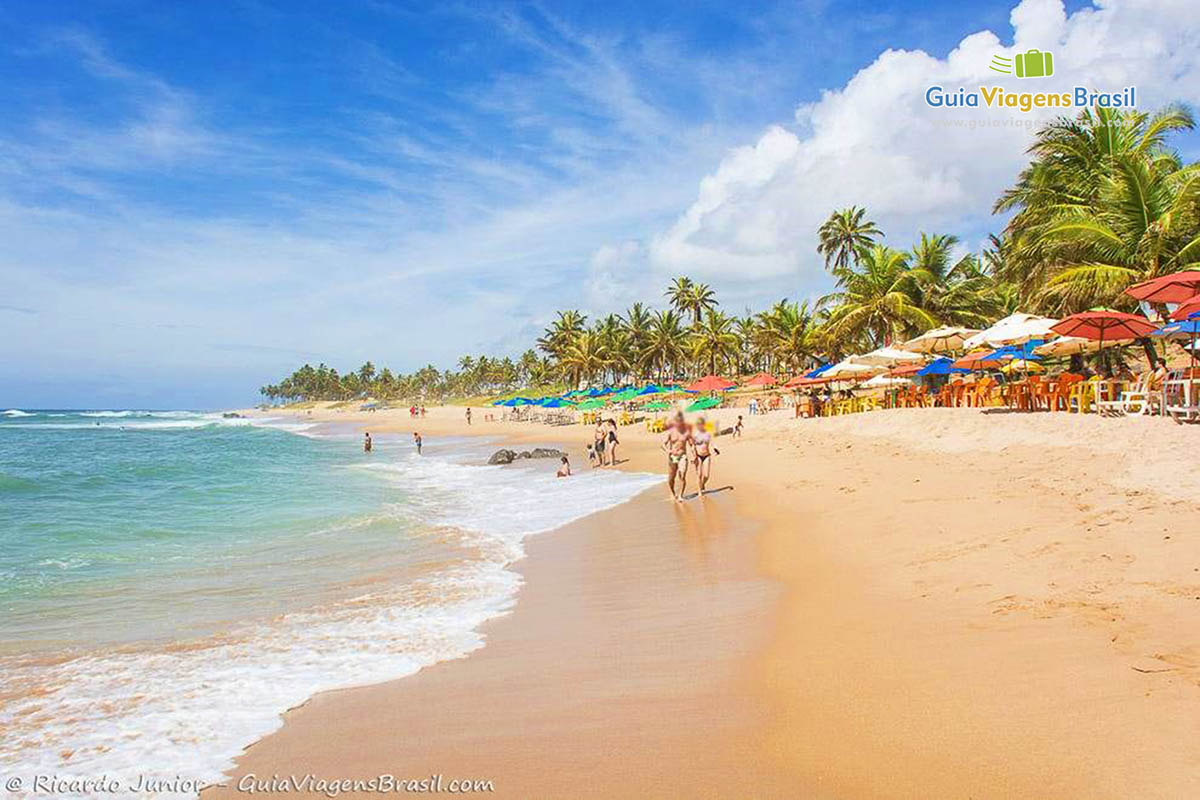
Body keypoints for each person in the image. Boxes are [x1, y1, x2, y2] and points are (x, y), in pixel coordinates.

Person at [662, 412, 692, 502]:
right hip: (672, 457)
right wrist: (669, 451)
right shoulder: (670, 432)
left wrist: (694, 456)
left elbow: (691, 444)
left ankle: (680, 495)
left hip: (683, 456)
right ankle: (672, 492)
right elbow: (663, 444)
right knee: (671, 478)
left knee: (682, 475)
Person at [692, 416, 718, 493]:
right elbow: (692, 446)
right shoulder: (695, 435)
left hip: (707, 455)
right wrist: (694, 457)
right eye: (699, 424)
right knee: (699, 475)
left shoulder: (707, 433)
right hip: (698, 456)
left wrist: (715, 449)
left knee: (706, 475)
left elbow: (712, 442)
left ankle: (702, 484)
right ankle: (700, 491)